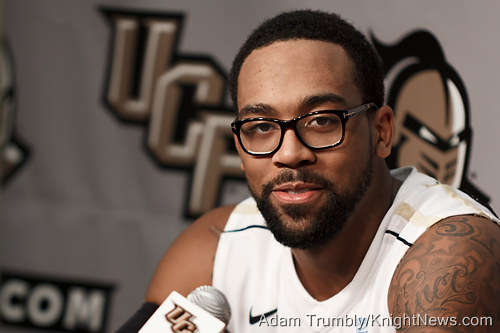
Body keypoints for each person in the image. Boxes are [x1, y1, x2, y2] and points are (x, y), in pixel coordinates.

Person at [123, 9, 500, 333]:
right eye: (261, 126)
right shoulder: (216, 251)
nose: (290, 153)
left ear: (381, 133)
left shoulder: (449, 258)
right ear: (239, 148)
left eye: (321, 121)